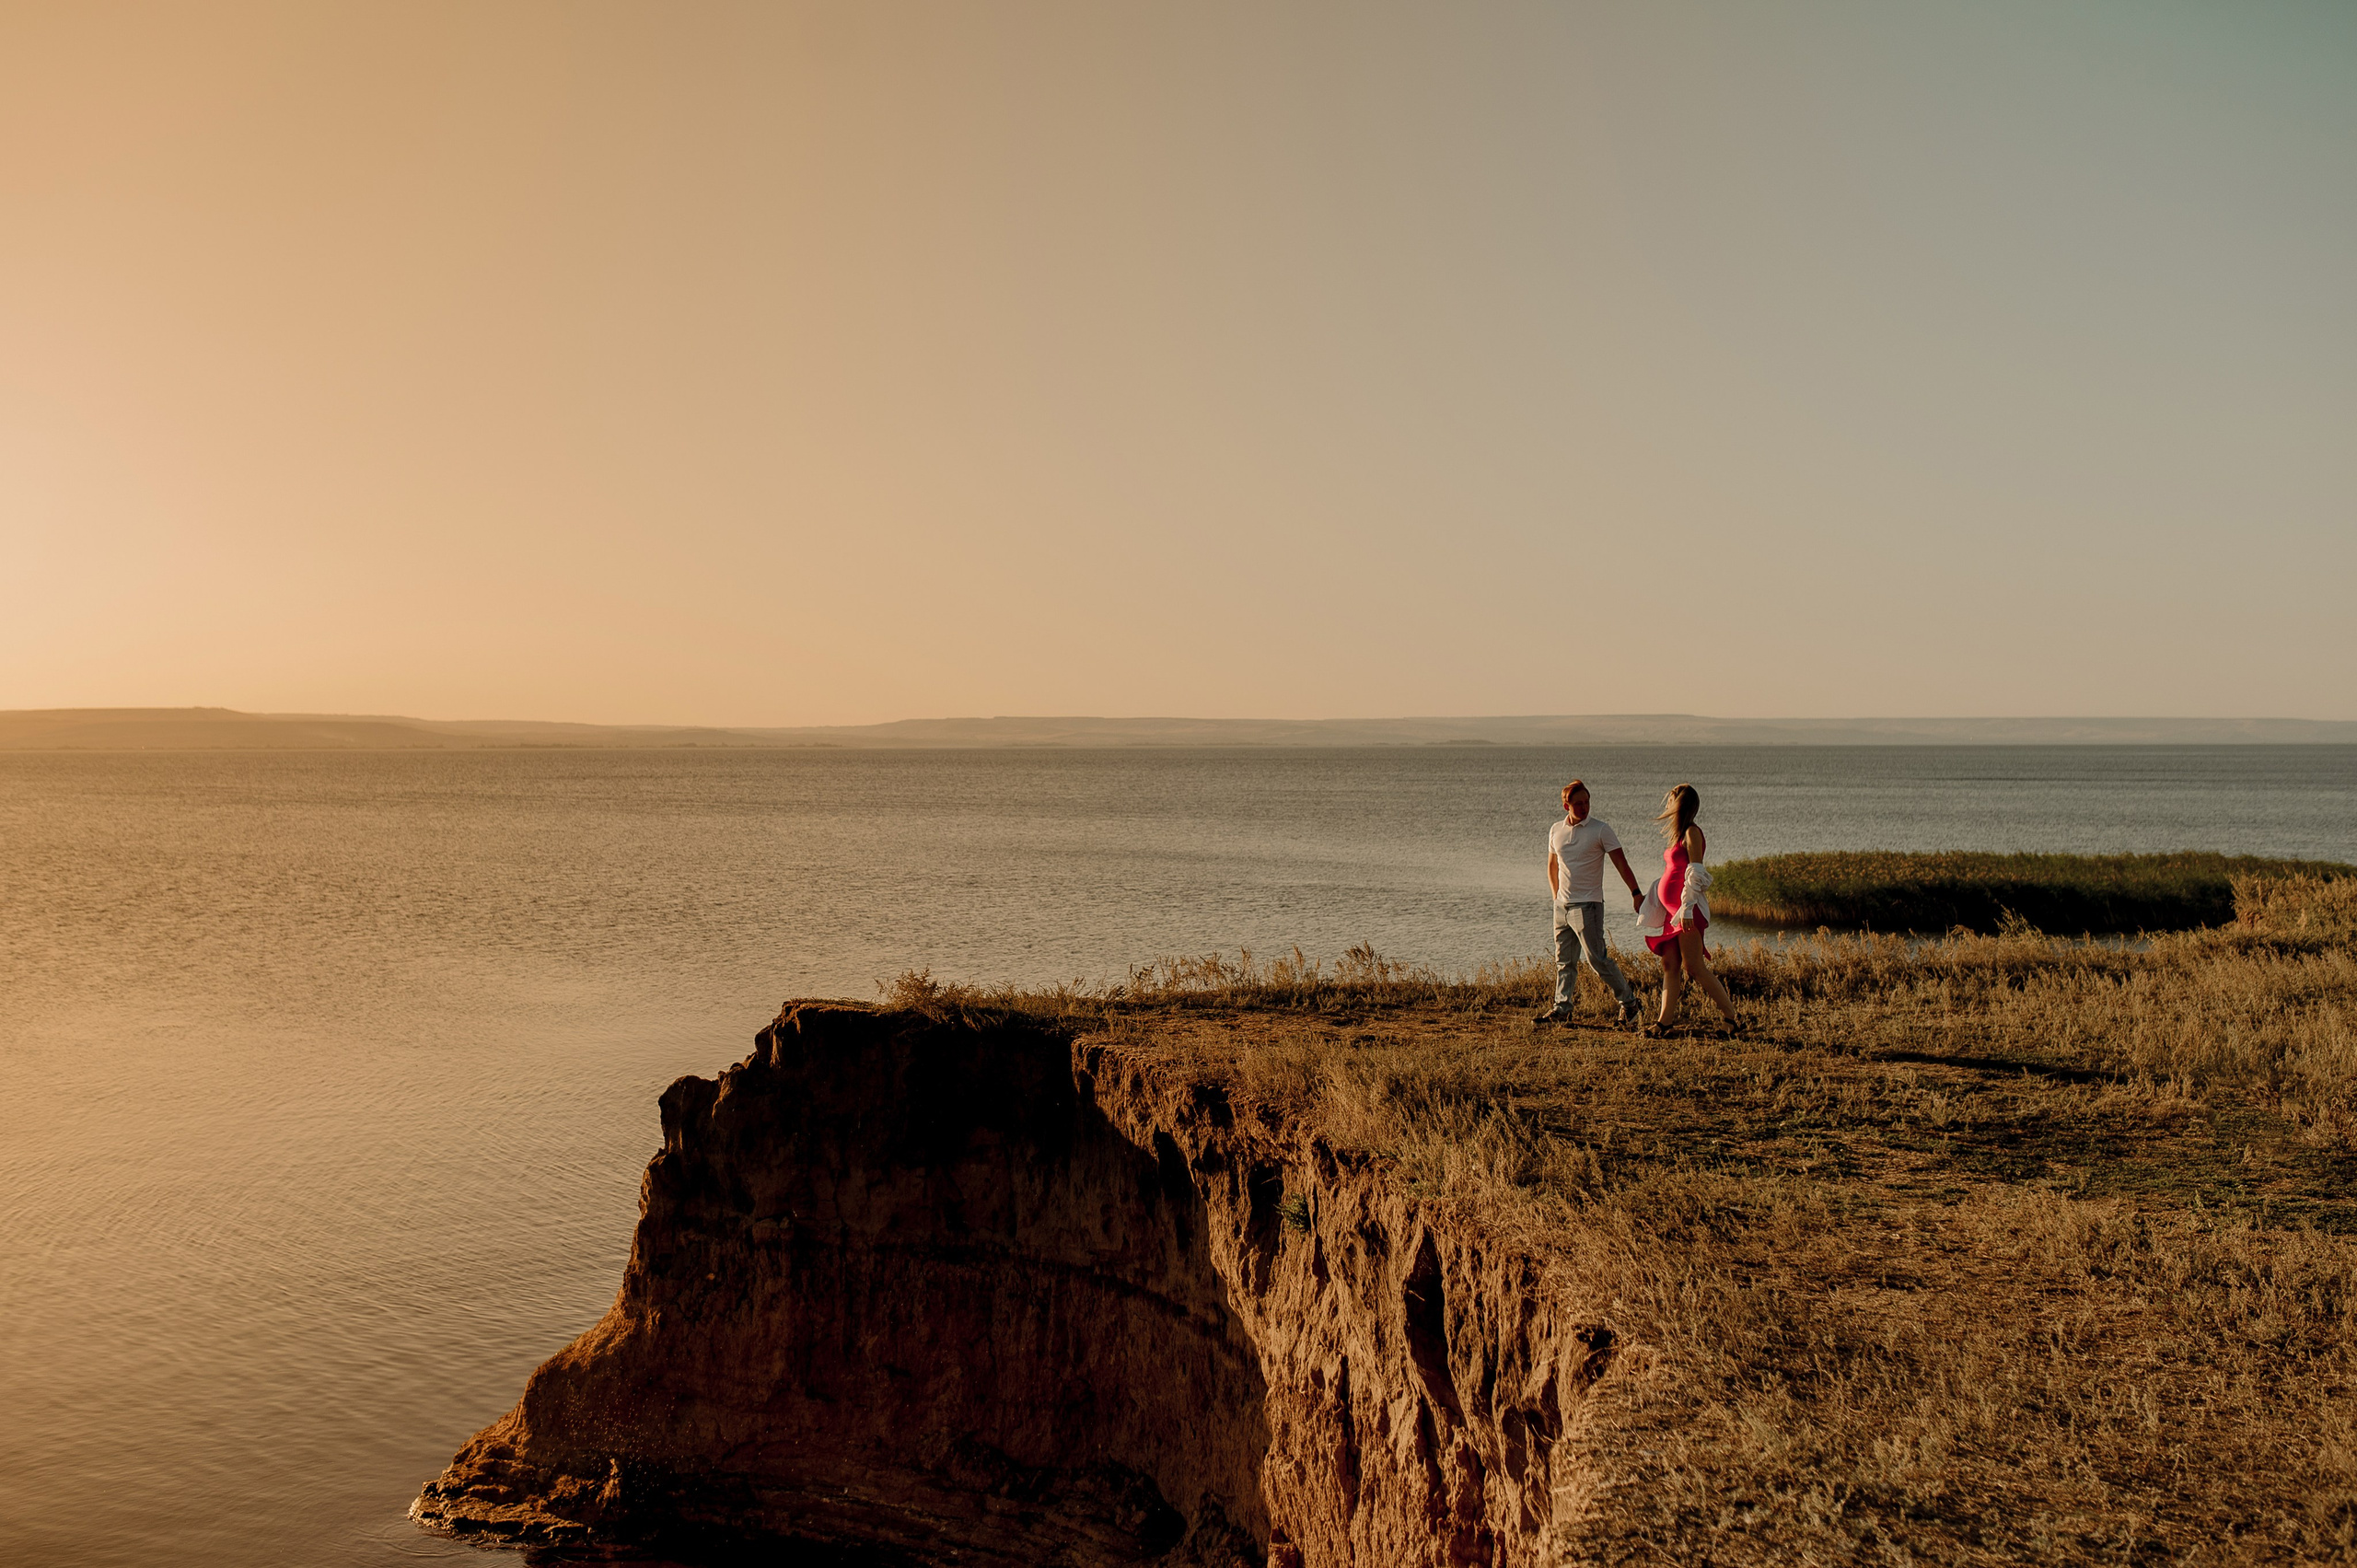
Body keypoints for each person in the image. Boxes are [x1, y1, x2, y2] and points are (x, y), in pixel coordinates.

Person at [1537, 779, 1645, 1028]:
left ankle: (1630, 1005)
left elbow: (1621, 862)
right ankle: (1561, 1009)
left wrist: (1636, 893)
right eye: (1578, 804)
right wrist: (1556, 897)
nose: (1584, 807)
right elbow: (1552, 865)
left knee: (1598, 960)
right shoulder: (1555, 830)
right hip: (1562, 907)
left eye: (1586, 802)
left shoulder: (1600, 830)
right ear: (1567, 806)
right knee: (1564, 962)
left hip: (1589, 906)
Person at [1638, 782, 1739, 1034]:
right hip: (1673, 913)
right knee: (1670, 965)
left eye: (1672, 801)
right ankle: (1664, 1022)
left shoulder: (1692, 833)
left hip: (1686, 911)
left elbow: (1697, 871)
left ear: (1680, 804)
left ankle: (1732, 1018)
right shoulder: (1678, 835)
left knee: (1694, 968)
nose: (1669, 805)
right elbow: (1672, 873)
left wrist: (1686, 907)